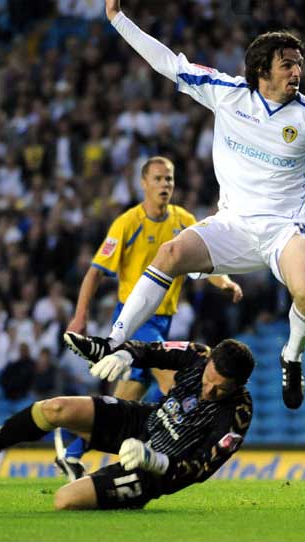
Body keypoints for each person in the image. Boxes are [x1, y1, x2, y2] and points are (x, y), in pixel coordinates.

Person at [65, 0, 305, 412]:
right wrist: (117, 19)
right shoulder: (226, 94)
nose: (297, 72)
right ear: (262, 70)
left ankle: (291, 356)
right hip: (234, 224)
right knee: (171, 252)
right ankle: (112, 340)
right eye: (287, 64)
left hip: (287, 228)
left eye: (299, 64)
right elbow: (167, 62)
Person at [57, 156, 243, 481]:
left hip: (164, 321)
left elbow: (206, 260)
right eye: (157, 179)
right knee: (173, 383)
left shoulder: (184, 220)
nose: (164, 185)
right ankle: (169, 456)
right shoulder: (127, 223)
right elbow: (95, 272)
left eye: (169, 179)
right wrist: (80, 317)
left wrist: (225, 282)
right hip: (136, 320)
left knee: (123, 402)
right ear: (143, 183)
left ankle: (71, 448)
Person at [0, 337, 254, 511]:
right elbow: (149, 350)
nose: (209, 390)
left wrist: (153, 460)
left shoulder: (238, 415)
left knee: (65, 500)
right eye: (209, 380)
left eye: (220, 389)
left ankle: (117, 488)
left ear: (239, 385)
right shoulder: (198, 355)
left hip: (156, 470)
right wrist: (125, 356)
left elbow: (201, 469)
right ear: (209, 363)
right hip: (145, 420)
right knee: (56, 407)